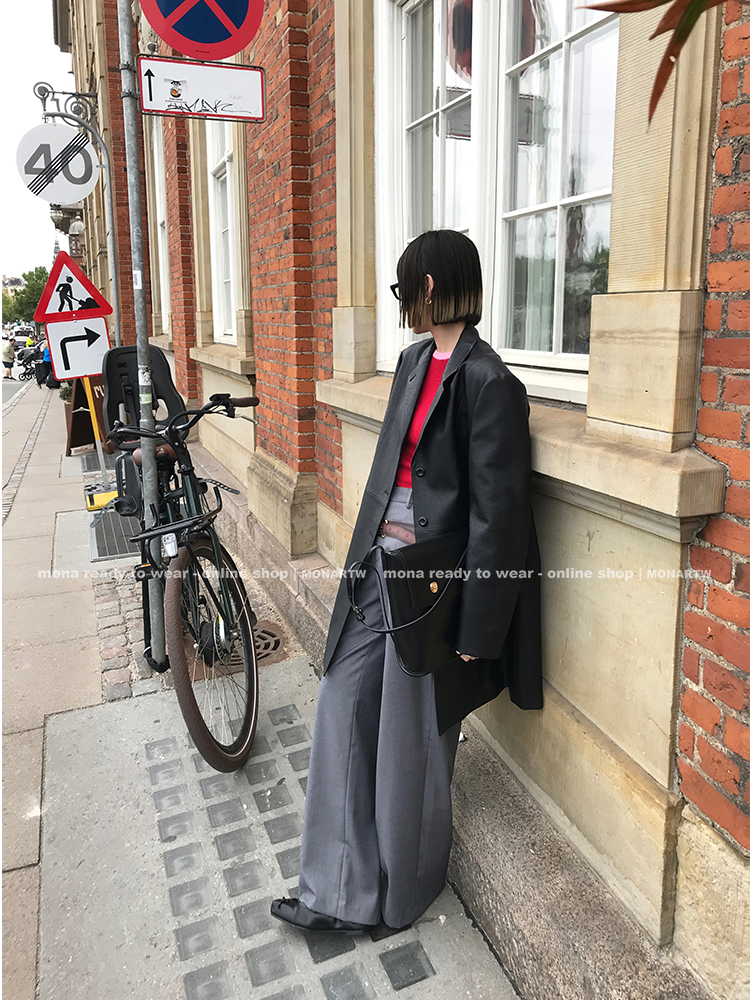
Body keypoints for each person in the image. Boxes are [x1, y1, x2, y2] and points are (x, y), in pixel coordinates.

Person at [271, 229, 543, 935]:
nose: (402, 305)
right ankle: (335, 889)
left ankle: (402, 897)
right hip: (378, 568)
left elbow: (499, 519)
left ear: (427, 287)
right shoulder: (412, 361)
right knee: (340, 700)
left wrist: (478, 629)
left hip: (432, 588)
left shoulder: (491, 384)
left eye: (402, 289)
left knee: (410, 741)